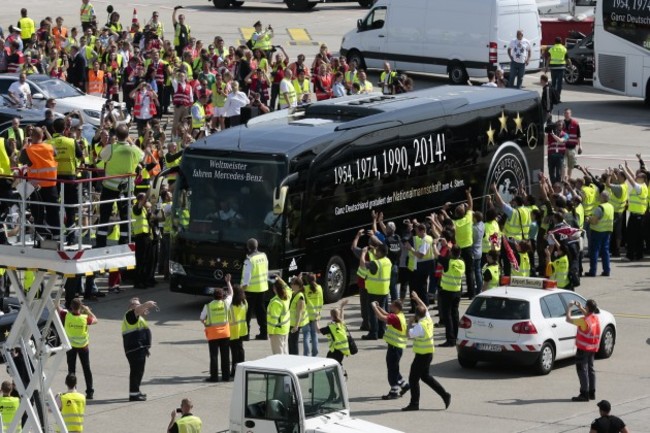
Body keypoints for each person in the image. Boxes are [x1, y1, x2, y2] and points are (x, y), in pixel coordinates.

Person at [401, 292, 451, 411]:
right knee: (425, 376)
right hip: (428, 353)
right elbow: (424, 307)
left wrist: (409, 322)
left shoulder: (419, 327)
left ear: (417, 315)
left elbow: (407, 334)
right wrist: (417, 298)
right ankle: (444, 395)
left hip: (422, 356)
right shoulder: (428, 319)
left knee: (413, 379)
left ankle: (414, 403)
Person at [96, 124, 144, 247]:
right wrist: (131, 142)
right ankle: (124, 242)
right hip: (126, 188)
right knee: (125, 216)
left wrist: (110, 143)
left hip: (109, 188)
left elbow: (100, 156)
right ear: (127, 136)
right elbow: (142, 156)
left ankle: (100, 242)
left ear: (116, 136)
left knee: (104, 215)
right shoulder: (134, 149)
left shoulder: (111, 148)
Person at [19, 127, 60, 239]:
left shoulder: (28, 150)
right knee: (53, 210)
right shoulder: (50, 147)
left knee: (37, 211)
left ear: (31, 137)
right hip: (51, 185)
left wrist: (25, 145)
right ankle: (56, 235)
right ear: (42, 136)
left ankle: (41, 234)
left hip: (36, 187)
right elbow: (55, 154)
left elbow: (20, 160)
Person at [57, 298, 97, 400]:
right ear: (80, 307)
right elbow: (96, 320)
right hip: (83, 347)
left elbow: (57, 307)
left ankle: (72, 390)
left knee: (71, 369)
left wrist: (60, 296)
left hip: (70, 346)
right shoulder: (84, 318)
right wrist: (87, 310)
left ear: (71, 306)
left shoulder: (66, 315)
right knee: (86, 369)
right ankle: (90, 392)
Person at [371, 299, 410, 400]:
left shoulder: (396, 318)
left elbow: (381, 317)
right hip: (397, 347)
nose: (390, 306)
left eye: (392, 306)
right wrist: (379, 307)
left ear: (396, 308)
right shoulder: (400, 315)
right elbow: (387, 314)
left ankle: (394, 391)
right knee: (394, 368)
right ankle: (404, 385)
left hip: (394, 348)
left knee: (392, 370)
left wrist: (374, 307)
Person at [122, 297, 158, 401]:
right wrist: (147, 304)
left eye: (139, 304)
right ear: (131, 307)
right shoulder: (129, 315)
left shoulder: (139, 318)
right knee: (136, 371)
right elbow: (137, 310)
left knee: (139, 371)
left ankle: (136, 391)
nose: (139, 306)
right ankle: (133, 394)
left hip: (139, 349)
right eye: (136, 305)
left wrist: (146, 348)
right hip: (134, 349)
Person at [566, 298, 601, 402]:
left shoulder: (583, 321)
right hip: (592, 348)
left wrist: (569, 307)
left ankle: (584, 394)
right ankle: (592, 393)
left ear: (588, 307)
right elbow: (588, 313)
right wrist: (580, 306)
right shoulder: (595, 318)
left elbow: (568, 319)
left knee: (582, 370)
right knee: (591, 369)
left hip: (583, 349)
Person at [200, 275, 233, 382]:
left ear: (213, 296)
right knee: (225, 356)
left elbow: (201, 318)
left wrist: (206, 323)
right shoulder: (225, 304)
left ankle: (214, 377)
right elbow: (232, 293)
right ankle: (226, 376)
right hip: (225, 334)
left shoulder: (208, 306)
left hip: (213, 334)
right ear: (222, 296)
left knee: (214, 356)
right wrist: (228, 282)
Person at [359, 244, 391, 340]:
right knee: (382, 310)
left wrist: (363, 253)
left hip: (374, 291)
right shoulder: (387, 261)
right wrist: (374, 250)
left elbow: (363, 265)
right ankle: (382, 331)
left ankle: (373, 333)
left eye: (377, 251)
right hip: (384, 290)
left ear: (380, 252)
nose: (375, 252)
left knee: (373, 313)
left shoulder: (376, 263)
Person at [241, 238, 269, 340]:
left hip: (250, 290)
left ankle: (245, 334)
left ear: (248, 247)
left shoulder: (249, 260)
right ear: (257, 246)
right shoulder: (263, 256)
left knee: (247, 313)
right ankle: (264, 333)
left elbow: (247, 277)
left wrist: (241, 289)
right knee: (261, 311)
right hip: (262, 288)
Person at [437, 245, 464, 346]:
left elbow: (437, 255)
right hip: (457, 291)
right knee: (455, 314)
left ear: (451, 253)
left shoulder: (448, 262)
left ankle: (450, 339)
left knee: (447, 316)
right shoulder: (461, 263)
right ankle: (457, 337)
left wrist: (435, 245)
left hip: (447, 292)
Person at [622, 161, 647, 261]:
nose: (636, 178)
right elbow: (633, 176)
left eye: (638, 177)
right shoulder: (643, 186)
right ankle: (639, 255)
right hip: (639, 215)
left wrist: (624, 170)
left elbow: (631, 179)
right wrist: (628, 168)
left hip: (636, 216)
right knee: (639, 237)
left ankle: (630, 256)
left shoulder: (639, 188)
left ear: (642, 179)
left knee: (631, 236)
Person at [584, 191, 613, 277]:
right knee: (605, 251)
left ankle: (593, 271)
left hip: (598, 231)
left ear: (603, 198)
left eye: (600, 196)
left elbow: (594, 221)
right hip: (607, 231)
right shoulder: (610, 206)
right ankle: (606, 270)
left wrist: (589, 219)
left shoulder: (600, 208)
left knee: (594, 251)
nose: (599, 197)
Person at [318, 299, 350, 365]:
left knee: (329, 364)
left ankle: (342, 374)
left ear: (331, 316)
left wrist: (316, 320)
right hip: (342, 350)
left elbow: (318, 331)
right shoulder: (341, 324)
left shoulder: (331, 327)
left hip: (335, 350)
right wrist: (342, 307)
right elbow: (342, 317)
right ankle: (343, 373)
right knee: (338, 363)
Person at [266, 276, 291, 355]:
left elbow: (273, 319)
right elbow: (288, 288)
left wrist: (270, 332)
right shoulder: (287, 296)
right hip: (285, 329)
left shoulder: (276, 302)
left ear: (274, 289)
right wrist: (280, 279)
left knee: (278, 354)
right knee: (285, 351)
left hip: (277, 331)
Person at [228, 284, 248, 377]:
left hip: (233, 330)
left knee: (234, 352)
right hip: (242, 329)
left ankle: (234, 371)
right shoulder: (244, 303)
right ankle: (242, 368)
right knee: (240, 349)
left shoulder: (230, 305)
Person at [303, 273, 323, 357]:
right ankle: (315, 353)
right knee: (314, 335)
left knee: (306, 336)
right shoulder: (319, 288)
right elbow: (321, 301)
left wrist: (300, 277)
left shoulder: (305, 289)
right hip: (315, 315)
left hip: (306, 316)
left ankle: (306, 354)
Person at [288, 276, 309, 355]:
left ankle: (295, 359)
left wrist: (296, 326)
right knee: (290, 342)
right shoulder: (294, 293)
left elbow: (299, 312)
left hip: (295, 324)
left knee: (293, 343)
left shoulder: (300, 297)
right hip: (291, 322)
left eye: (292, 284)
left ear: (297, 285)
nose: (291, 285)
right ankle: (291, 357)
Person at [547, 120, 568, 184]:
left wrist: (553, 135)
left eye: (560, 125)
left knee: (558, 173)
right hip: (551, 155)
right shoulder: (551, 135)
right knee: (551, 172)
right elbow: (545, 142)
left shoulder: (565, 135)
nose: (558, 126)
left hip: (560, 156)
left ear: (563, 126)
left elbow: (560, 141)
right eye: (557, 125)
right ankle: (553, 185)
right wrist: (548, 133)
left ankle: (558, 185)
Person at [563, 109, 582, 179]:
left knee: (571, 166)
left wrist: (580, 146)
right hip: (563, 147)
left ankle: (568, 178)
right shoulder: (561, 124)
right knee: (563, 165)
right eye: (565, 113)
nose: (566, 115)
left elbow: (579, 136)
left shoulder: (575, 123)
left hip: (572, 148)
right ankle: (564, 178)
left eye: (568, 113)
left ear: (571, 114)